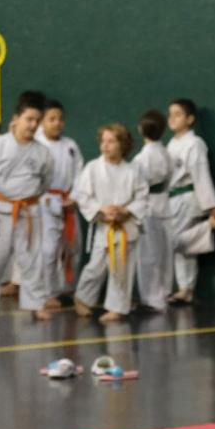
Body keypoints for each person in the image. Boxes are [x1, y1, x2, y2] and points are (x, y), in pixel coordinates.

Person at [0, 93, 53, 321]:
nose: (33, 125)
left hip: (28, 211)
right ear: (16, 119)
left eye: (37, 120)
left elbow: (45, 182)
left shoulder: (42, 152)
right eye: (29, 119)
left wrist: (28, 199)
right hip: (0, 210)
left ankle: (37, 305)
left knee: (31, 260)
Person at [74, 123, 149, 324]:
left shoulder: (133, 170)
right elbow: (83, 196)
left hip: (126, 228)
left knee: (121, 270)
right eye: (103, 141)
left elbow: (142, 197)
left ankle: (117, 308)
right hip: (103, 227)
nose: (105, 146)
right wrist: (101, 210)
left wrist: (126, 211)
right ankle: (82, 297)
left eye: (111, 141)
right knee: (95, 267)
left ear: (122, 144)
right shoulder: (93, 168)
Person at [164, 98, 215, 304]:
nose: (172, 119)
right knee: (181, 246)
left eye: (178, 114)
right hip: (172, 198)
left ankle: (186, 287)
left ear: (190, 119)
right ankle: (185, 289)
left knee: (177, 242)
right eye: (171, 114)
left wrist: (213, 207)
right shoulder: (172, 143)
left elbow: (201, 175)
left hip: (188, 198)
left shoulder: (195, 144)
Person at [35, 99, 84, 306]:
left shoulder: (70, 145)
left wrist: (74, 196)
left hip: (68, 201)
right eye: (51, 119)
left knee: (72, 247)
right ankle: (49, 293)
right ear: (41, 122)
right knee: (48, 249)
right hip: (44, 202)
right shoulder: (35, 145)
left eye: (60, 119)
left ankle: (70, 288)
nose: (57, 123)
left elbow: (80, 175)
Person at [133, 109, 172, 312]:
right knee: (164, 253)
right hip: (165, 204)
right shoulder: (166, 153)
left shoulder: (141, 158)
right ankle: (163, 294)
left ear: (141, 130)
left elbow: (136, 183)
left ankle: (151, 299)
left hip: (147, 206)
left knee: (148, 255)